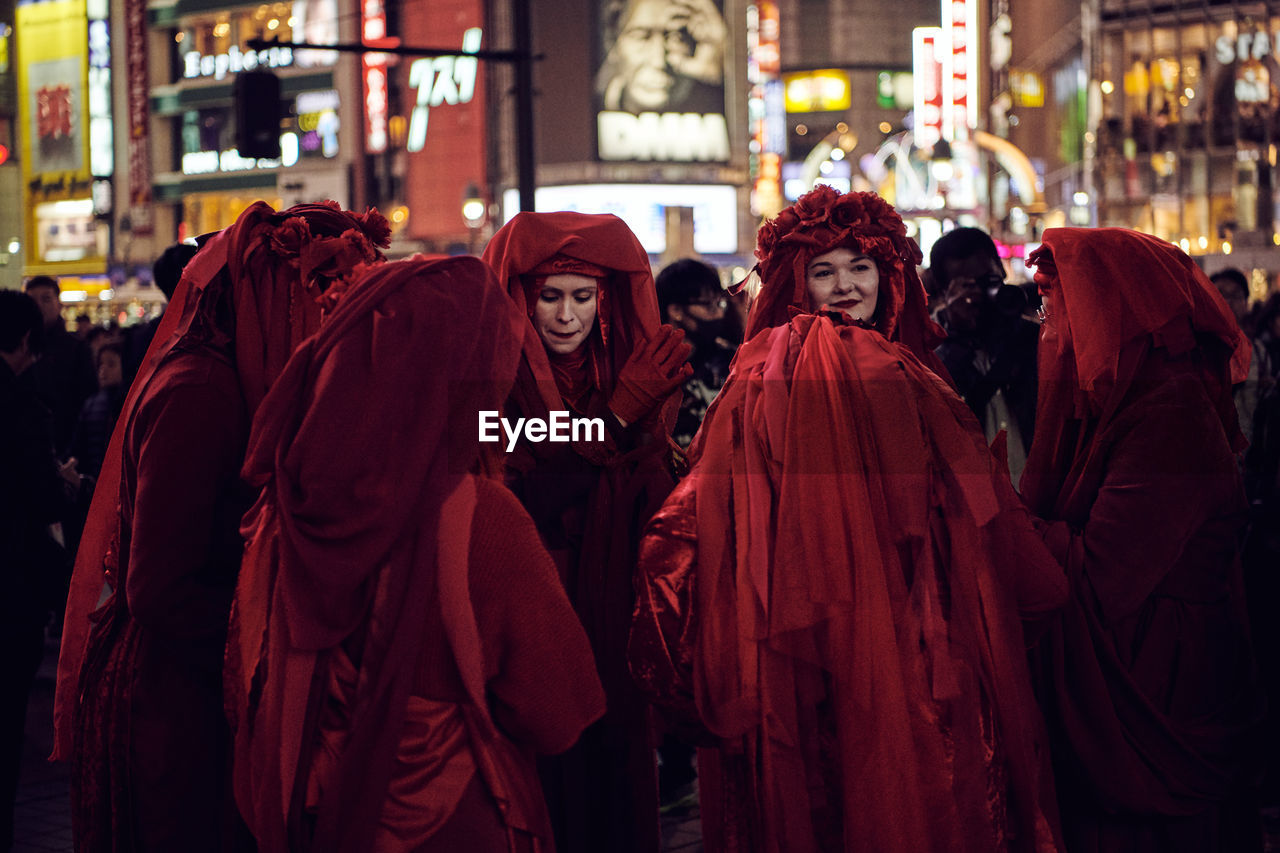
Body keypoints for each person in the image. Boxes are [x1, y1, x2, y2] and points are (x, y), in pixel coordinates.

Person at [630, 185, 1067, 852]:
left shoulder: (873, 372)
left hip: (901, 640)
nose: (844, 286)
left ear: (887, 273)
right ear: (795, 281)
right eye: (823, 270)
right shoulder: (806, 376)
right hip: (848, 646)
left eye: (859, 267)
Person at [226, 256, 606, 853]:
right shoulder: (480, 519)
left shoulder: (284, 508)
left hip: (314, 815)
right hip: (454, 822)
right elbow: (557, 712)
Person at [52, 201, 390, 853]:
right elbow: (159, 588)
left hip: (216, 686)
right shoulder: (201, 389)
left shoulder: (244, 374)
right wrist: (281, 637)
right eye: (323, 292)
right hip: (177, 700)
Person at [1023, 228, 1266, 852]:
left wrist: (999, 522)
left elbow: (1105, 573)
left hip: (1157, 679)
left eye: (1057, 304)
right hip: (1126, 666)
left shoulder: (1171, 409)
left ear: (1110, 306)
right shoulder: (1109, 396)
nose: (1046, 324)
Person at [482, 211, 692, 853]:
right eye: (550, 297)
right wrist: (620, 414)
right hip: (535, 599)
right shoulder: (493, 378)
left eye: (583, 296)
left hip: (612, 600)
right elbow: (521, 475)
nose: (566, 316)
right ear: (521, 298)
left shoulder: (621, 363)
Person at [0, 290, 81, 853]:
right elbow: (40, 498)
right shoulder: (19, 405)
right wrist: (65, 484)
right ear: (26, 342)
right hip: (10, 588)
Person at [929, 227, 1039, 485]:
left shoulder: (1031, 338)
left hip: (1033, 500)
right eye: (968, 285)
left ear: (1001, 272)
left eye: (989, 280)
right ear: (945, 292)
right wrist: (959, 337)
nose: (982, 294)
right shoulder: (927, 350)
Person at [656, 257, 737, 449]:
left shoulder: (732, 360)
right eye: (708, 305)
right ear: (676, 310)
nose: (718, 314)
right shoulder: (652, 365)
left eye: (720, 304)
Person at [596, 0, 726, 114]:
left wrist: (721, 64)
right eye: (641, 37)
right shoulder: (592, 102)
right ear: (612, 43)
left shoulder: (713, 98)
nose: (659, 61)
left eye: (676, 38)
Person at [23, 275, 97, 458]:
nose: (39, 306)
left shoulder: (77, 349)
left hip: (67, 449)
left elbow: (85, 399)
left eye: (46, 299)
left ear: (59, 304)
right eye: (32, 301)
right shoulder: (17, 349)